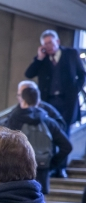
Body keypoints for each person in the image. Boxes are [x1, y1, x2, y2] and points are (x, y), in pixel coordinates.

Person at [25, 30, 85, 177]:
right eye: (45, 44)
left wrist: (75, 90)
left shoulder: (71, 54)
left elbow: (82, 74)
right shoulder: (42, 59)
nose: (48, 46)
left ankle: (61, 168)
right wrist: (39, 58)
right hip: (48, 103)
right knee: (49, 135)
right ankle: (50, 168)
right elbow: (28, 74)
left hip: (67, 103)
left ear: (57, 42)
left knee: (64, 136)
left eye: (50, 42)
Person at [6, 86, 72, 194]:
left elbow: (4, 146)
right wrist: (51, 164)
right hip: (42, 172)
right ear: (38, 101)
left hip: (17, 174)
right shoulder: (49, 122)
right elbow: (67, 147)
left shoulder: (14, 120)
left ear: (22, 100)